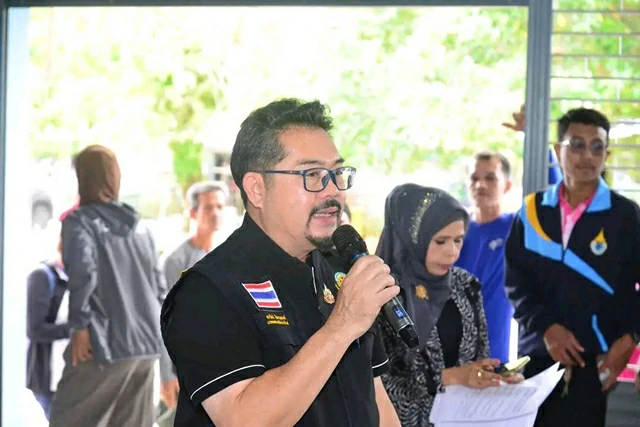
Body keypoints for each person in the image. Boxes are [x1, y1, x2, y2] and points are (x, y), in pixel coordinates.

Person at [161, 98, 401, 427]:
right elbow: (243, 421)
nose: (333, 191)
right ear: (256, 189)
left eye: (336, 173)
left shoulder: (340, 271)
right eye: (312, 174)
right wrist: (342, 325)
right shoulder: (208, 290)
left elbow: (375, 400)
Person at [505, 108, 640, 427]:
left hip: (595, 360)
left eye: (597, 147)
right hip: (537, 355)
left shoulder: (625, 216)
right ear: (557, 150)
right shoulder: (532, 211)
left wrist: (629, 339)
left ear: (606, 155)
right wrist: (547, 327)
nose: (587, 156)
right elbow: (516, 283)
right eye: (577, 145)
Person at [376, 184, 523, 426]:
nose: (452, 253)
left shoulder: (466, 286)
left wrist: (495, 378)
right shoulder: (383, 293)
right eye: (441, 241)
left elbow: (478, 358)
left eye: (458, 240)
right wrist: (450, 377)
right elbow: (379, 384)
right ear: (413, 238)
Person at [49, 145, 173, 427]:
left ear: (82, 178)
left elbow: (83, 270)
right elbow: (160, 292)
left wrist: (80, 324)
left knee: (67, 420)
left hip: (102, 346)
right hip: (146, 348)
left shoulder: (79, 222)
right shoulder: (142, 229)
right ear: (114, 177)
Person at [158, 180, 230, 426]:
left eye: (219, 207)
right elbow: (164, 319)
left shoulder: (227, 256)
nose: (215, 213)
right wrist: (166, 374)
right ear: (192, 213)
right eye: (208, 208)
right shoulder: (175, 261)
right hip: (184, 367)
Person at [454, 152, 515, 362]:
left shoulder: (515, 227)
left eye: (490, 178)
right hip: (452, 351)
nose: (480, 185)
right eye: (474, 178)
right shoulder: (453, 230)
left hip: (494, 351)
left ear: (507, 186)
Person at [26, 232, 70, 420]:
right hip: (48, 376)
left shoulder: (79, 278)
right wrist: (76, 328)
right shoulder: (42, 276)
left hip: (73, 375)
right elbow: (35, 329)